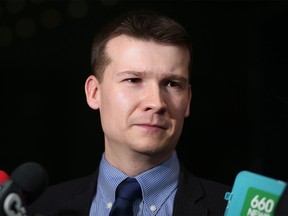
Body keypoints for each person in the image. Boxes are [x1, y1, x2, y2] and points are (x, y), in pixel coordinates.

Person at [26, 9, 231, 216]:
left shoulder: (234, 211)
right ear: (94, 92)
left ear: (187, 100)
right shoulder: (38, 209)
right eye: (133, 80)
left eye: (171, 83)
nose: (156, 103)